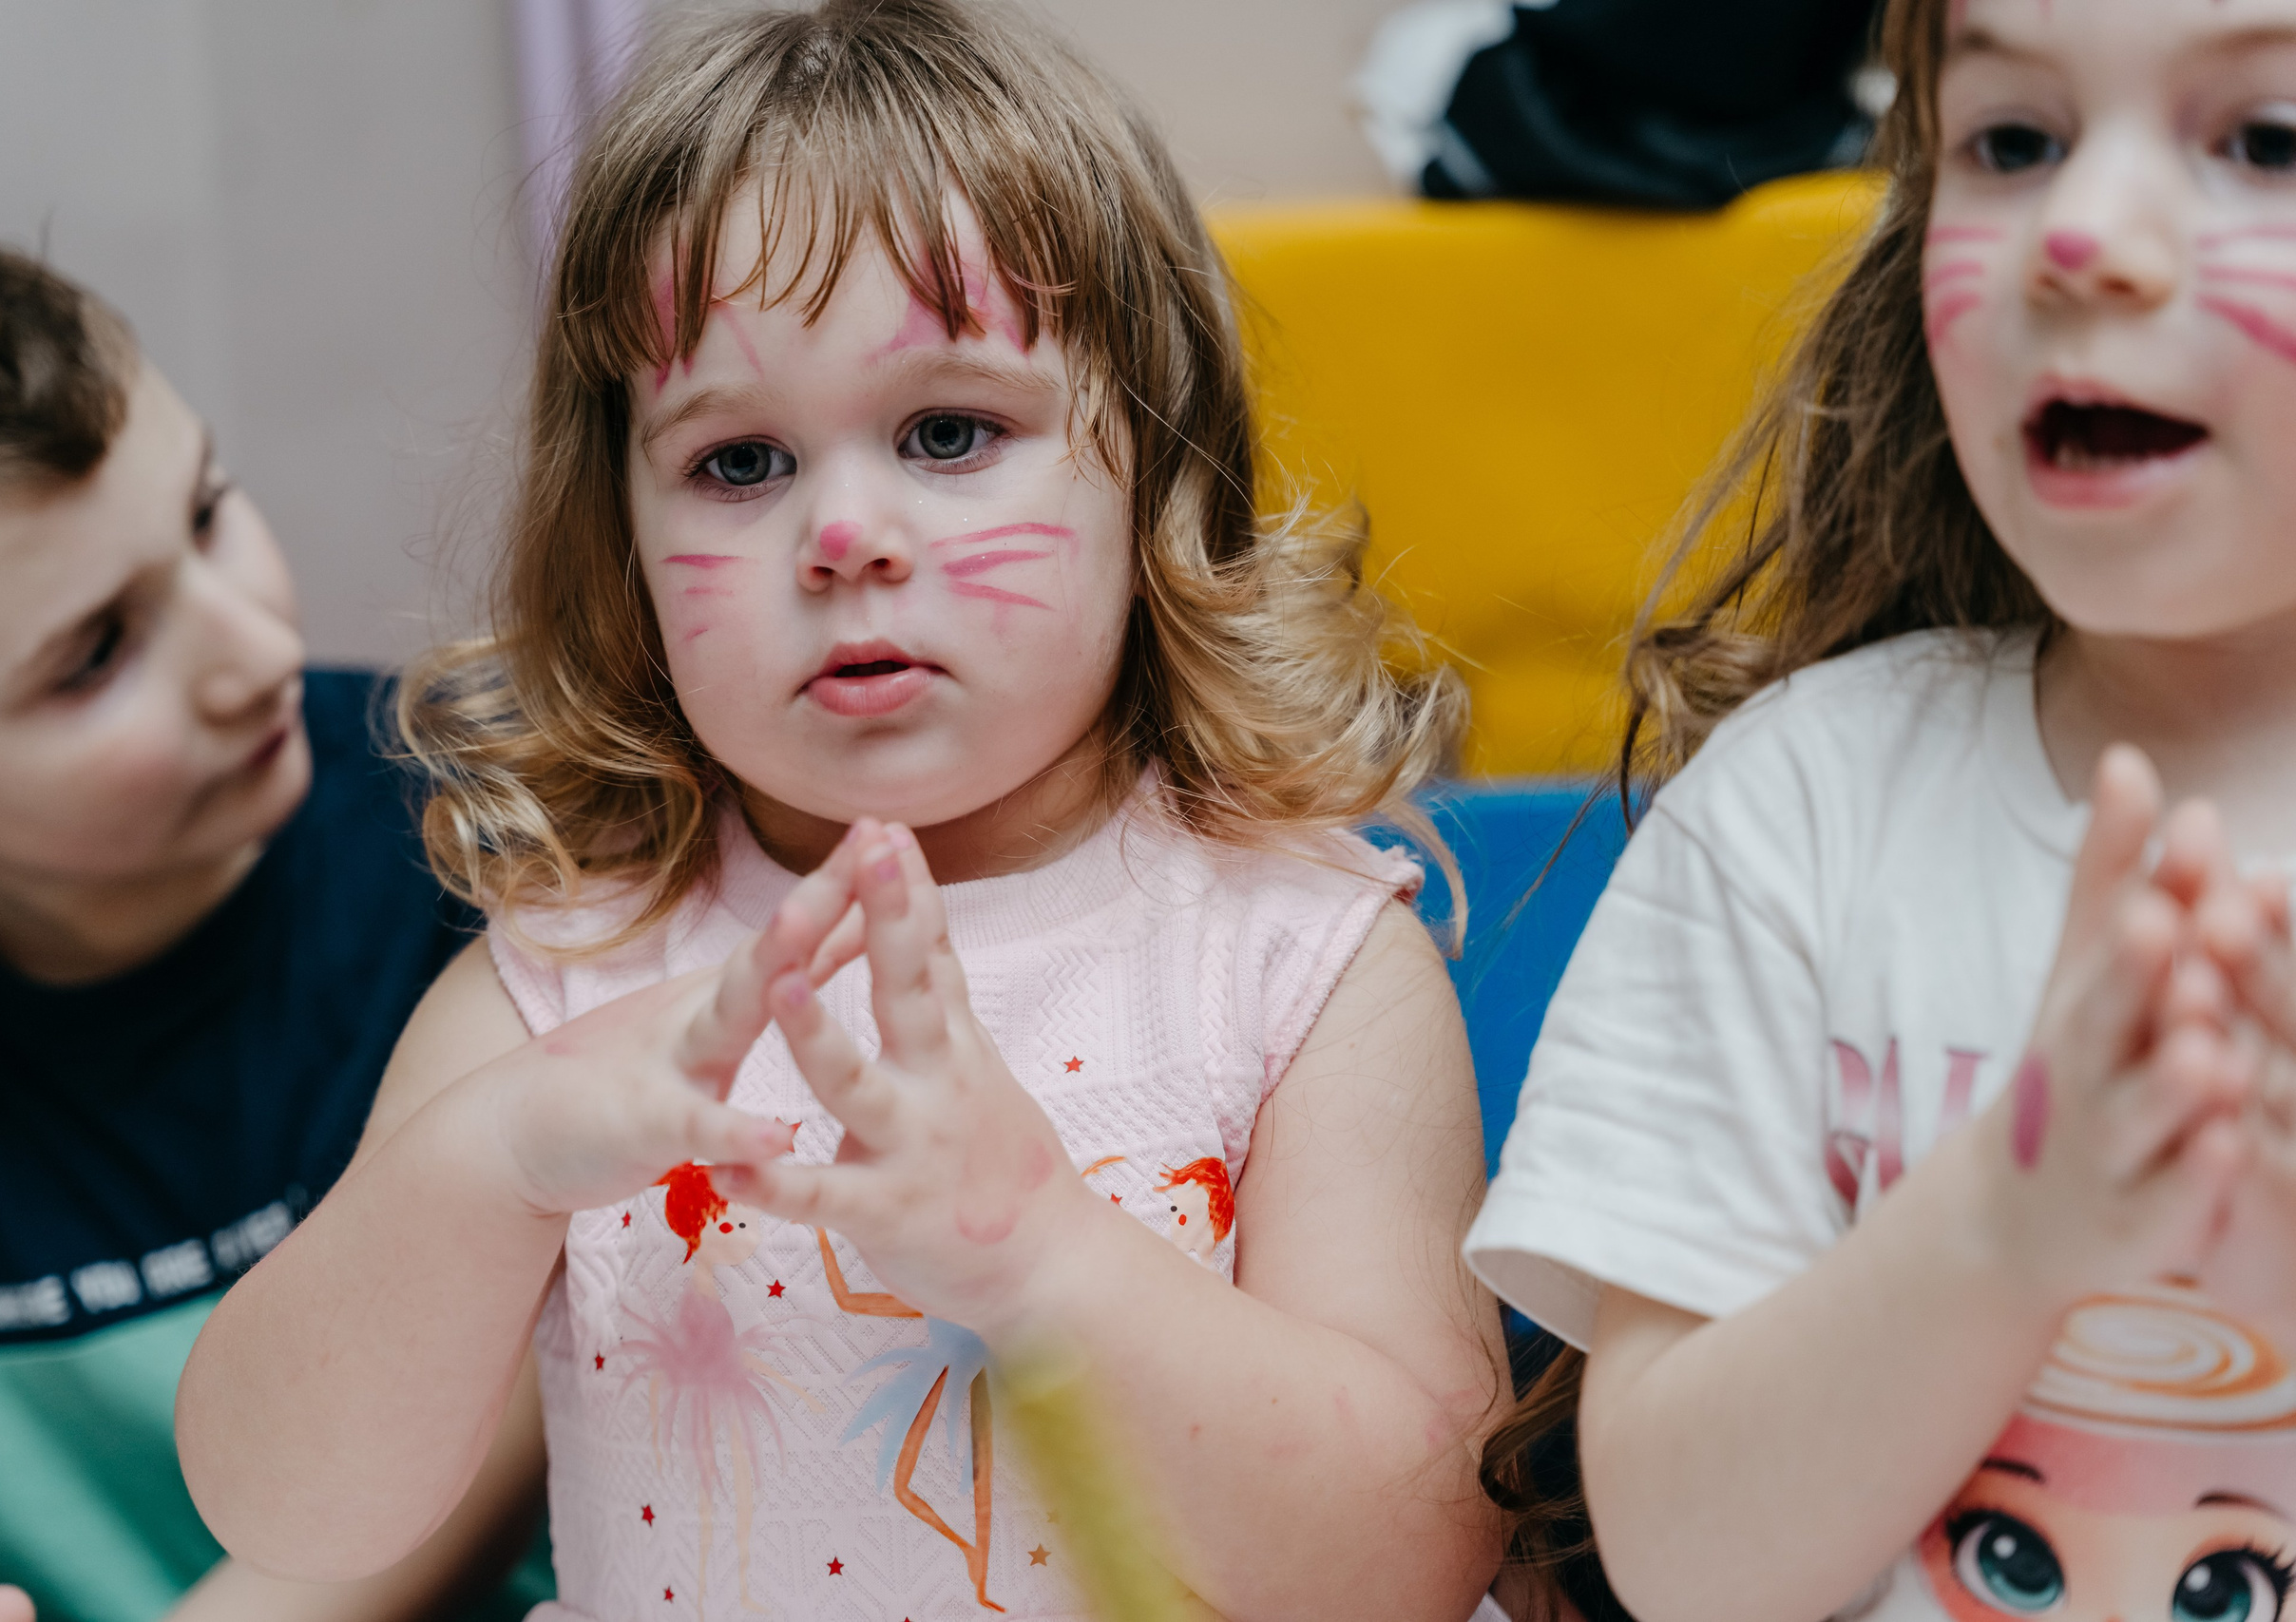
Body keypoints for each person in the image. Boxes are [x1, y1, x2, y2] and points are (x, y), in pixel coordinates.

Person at [173, 3, 1513, 1619]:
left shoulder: (1300, 972)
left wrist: (1041, 1253)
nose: (845, 534)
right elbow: (288, 1511)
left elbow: (1419, 1561)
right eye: (739, 463)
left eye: (950, 432)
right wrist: (493, 1164)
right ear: (620, 535)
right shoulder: (564, 990)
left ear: (1156, 472)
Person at [1464, 1, 2296, 1620]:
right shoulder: (1803, 812)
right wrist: (2005, 1222)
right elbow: (1686, 1564)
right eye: (2013, 140)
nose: (2081, 237)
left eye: (2266, 139)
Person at [0, 200, 550, 1622]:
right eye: (96, 653)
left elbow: (526, 1414)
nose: (251, 654)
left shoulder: (500, 842)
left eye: (206, 514)